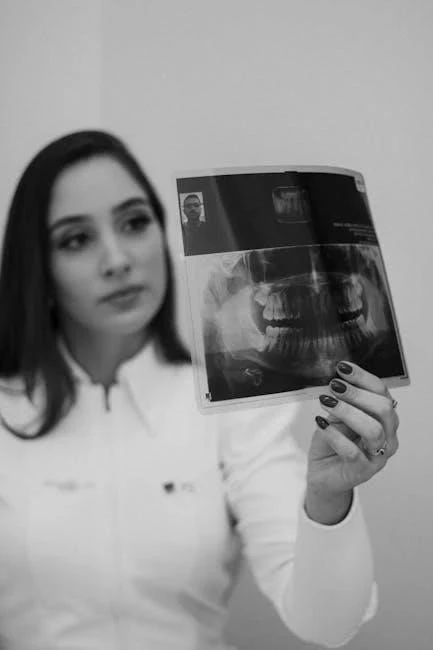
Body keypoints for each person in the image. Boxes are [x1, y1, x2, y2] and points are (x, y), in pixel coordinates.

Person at [0, 130, 399, 650]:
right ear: (38, 267)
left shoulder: (232, 413)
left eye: (134, 222)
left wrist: (329, 494)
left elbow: (326, 623)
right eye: (76, 239)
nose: (117, 259)